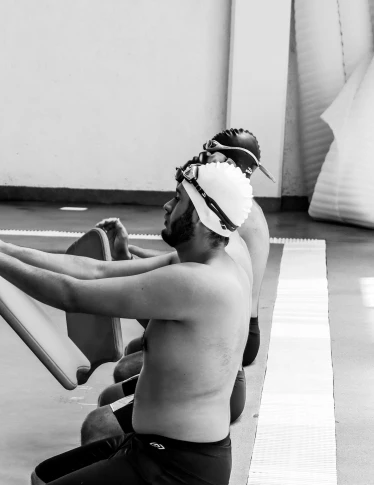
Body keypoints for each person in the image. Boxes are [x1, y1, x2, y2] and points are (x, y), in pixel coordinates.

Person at [0, 161, 253, 485]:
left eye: (179, 200)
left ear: (201, 216)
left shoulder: (195, 283)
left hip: (177, 466)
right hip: (159, 449)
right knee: (44, 477)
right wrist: (2, 248)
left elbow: (72, 294)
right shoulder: (201, 268)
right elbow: (94, 270)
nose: (168, 205)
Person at [81, 129, 271, 444]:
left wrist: (0, 257)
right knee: (133, 352)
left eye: (210, 157)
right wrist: (127, 256)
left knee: (111, 397)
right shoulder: (230, 217)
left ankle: (125, 461)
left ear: (225, 159)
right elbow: (175, 265)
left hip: (224, 364)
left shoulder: (230, 220)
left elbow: (176, 282)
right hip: (237, 337)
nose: (202, 162)